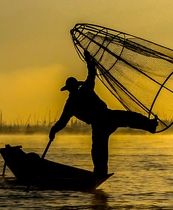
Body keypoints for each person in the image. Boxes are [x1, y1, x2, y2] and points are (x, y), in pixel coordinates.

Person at [49, 50, 158, 178]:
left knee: (129, 118)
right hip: (101, 123)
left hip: (106, 117)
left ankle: (149, 125)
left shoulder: (81, 94)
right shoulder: (74, 100)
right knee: (99, 150)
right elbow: (62, 122)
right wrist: (53, 130)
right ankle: (100, 174)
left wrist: (89, 61)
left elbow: (91, 74)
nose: (74, 90)